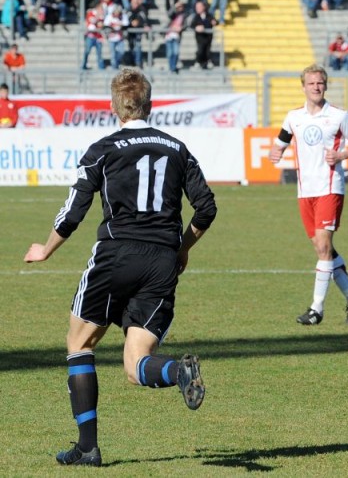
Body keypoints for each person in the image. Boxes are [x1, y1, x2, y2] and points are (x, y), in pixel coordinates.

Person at [23, 68, 217, 466]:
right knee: (135, 365)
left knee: (79, 344)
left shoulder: (104, 149)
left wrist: (47, 249)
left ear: (114, 107)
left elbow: (74, 210)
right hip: (162, 261)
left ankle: (88, 447)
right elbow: (207, 207)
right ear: (151, 103)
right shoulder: (177, 148)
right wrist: (182, 248)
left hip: (116, 255)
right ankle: (176, 373)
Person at [268, 65, 348, 326]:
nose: (316, 87)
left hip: (329, 187)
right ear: (303, 86)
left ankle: (316, 308)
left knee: (323, 247)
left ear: (325, 85)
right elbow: (280, 141)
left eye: (320, 83)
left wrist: (342, 155)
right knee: (322, 248)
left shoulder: (339, 116)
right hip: (305, 190)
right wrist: (275, 152)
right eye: (311, 83)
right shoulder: (293, 117)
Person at [190, 0, 217, 69]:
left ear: (203, 7)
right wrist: (196, 27)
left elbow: (215, 21)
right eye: (196, 7)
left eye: (199, 7)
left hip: (208, 37)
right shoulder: (196, 16)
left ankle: (207, 62)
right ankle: (198, 62)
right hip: (200, 37)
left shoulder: (209, 15)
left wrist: (214, 22)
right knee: (200, 50)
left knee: (207, 50)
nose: (197, 8)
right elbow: (192, 25)